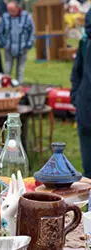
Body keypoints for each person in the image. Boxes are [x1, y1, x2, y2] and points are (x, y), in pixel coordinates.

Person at [71, 9, 91, 177]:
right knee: (88, 168)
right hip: (85, 109)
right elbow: (76, 71)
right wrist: (76, 97)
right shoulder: (85, 42)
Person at [0, 1, 34, 84]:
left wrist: (29, 44)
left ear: (17, 8)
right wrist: (3, 43)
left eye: (12, 10)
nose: (11, 13)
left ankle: (18, 87)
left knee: (20, 70)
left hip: (23, 48)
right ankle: (6, 88)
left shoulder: (27, 16)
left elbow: (32, 31)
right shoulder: (5, 17)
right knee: (7, 69)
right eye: (9, 10)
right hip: (8, 48)